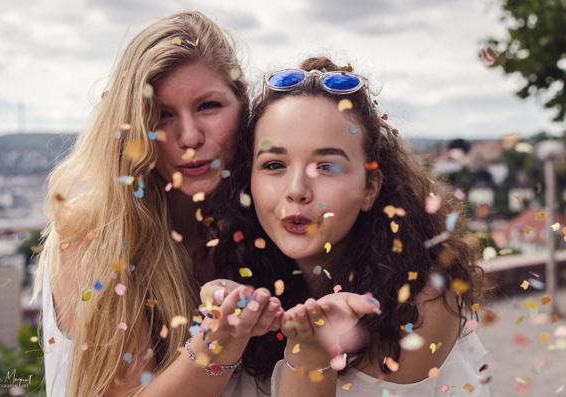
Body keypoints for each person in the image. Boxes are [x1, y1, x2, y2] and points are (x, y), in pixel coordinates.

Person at [33, 11, 282, 397]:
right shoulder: (94, 236)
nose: (189, 136)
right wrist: (222, 338)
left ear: (242, 104)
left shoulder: (267, 222)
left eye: (208, 106)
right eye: (163, 115)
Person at [210, 56, 491, 396]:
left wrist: (312, 355)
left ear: (370, 189)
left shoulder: (422, 303)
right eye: (274, 164)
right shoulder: (236, 270)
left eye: (326, 166)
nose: (297, 190)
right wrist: (222, 337)